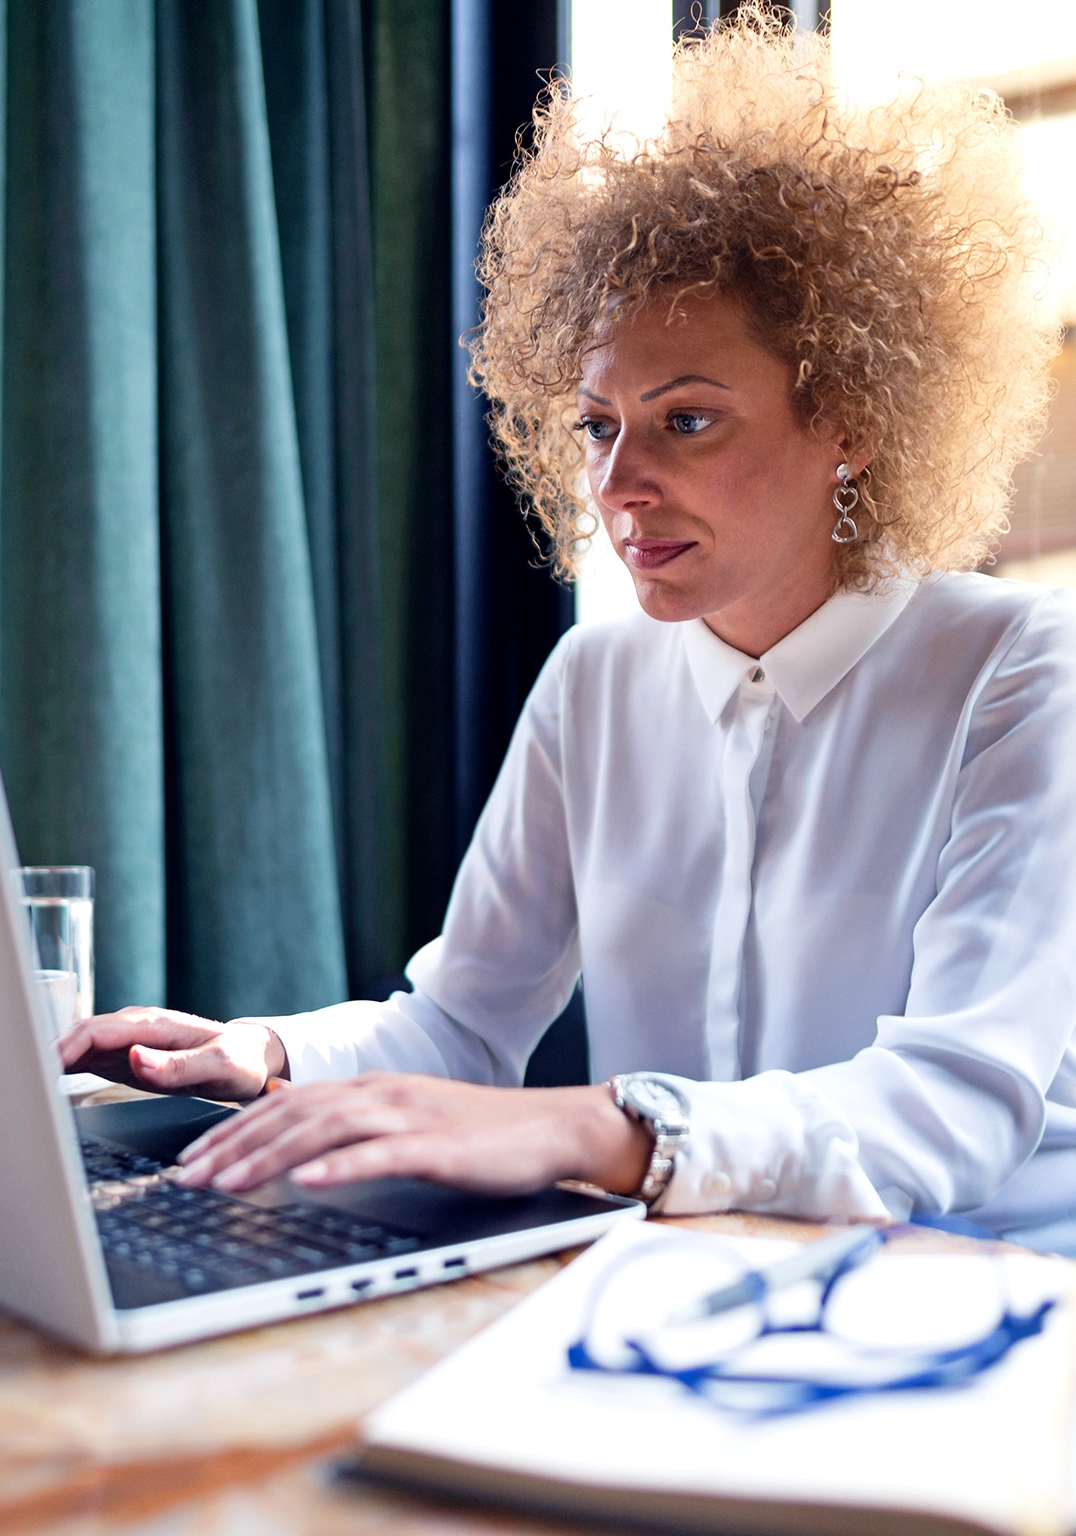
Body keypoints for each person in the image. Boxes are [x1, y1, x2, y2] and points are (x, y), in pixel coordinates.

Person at [61, 20, 1076, 1251]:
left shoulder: (1022, 672)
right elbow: (458, 1025)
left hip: (987, 1309)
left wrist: (592, 1127)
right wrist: (264, 1053)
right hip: (689, 1296)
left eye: (686, 421)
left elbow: (951, 1107)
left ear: (850, 421)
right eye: (598, 426)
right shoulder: (595, 680)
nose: (619, 483)